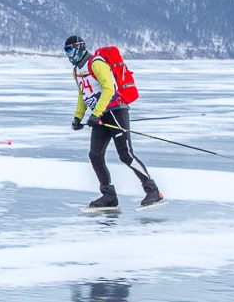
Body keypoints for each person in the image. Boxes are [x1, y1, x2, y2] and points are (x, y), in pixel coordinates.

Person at [66, 35, 164, 209]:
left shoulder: (96, 63)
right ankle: (109, 195)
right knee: (95, 155)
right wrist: (77, 117)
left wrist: (96, 113)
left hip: (116, 111)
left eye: (70, 50)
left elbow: (109, 88)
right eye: (66, 51)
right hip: (100, 116)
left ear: (79, 48)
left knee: (125, 154)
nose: (68, 55)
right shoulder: (76, 72)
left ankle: (153, 190)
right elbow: (83, 94)